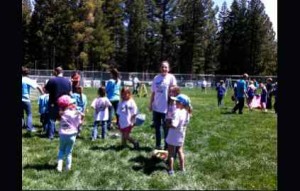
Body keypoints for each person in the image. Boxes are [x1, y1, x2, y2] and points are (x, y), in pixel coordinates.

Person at [149, 61, 177, 150]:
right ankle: (158, 145)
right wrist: (150, 104)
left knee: (166, 129)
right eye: (162, 67)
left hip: (167, 109)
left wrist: (174, 104)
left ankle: (166, 146)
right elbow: (153, 92)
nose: (164, 69)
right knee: (157, 128)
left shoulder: (171, 78)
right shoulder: (156, 78)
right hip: (156, 108)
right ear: (160, 68)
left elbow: (175, 91)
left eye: (166, 67)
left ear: (168, 69)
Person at [56, 95, 84, 172]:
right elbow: (79, 123)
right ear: (68, 104)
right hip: (72, 135)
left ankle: (59, 167)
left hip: (62, 134)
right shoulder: (74, 113)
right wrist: (81, 117)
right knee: (69, 152)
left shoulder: (61, 114)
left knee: (61, 150)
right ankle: (68, 168)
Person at [166, 94, 192, 176]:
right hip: (181, 135)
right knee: (180, 151)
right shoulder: (187, 112)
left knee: (171, 153)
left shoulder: (177, 112)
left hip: (173, 135)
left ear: (181, 103)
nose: (175, 102)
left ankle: (171, 170)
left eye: (176, 101)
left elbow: (174, 125)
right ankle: (182, 169)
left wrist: (167, 124)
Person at [45, 66, 72, 140]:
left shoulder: (52, 80)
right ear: (62, 72)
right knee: (65, 119)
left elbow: (46, 91)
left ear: (56, 72)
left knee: (52, 119)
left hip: (54, 102)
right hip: (64, 104)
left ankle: (51, 135)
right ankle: (66, 134)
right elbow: (70, 92)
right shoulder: (68, 81)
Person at [22, 66, 44, 132]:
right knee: (29, 114)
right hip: (26, 99)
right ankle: (29, 128)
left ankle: (22, 126)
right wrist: (43, 94)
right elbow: (38, 86)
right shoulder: (28, 80)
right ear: (27, 73)